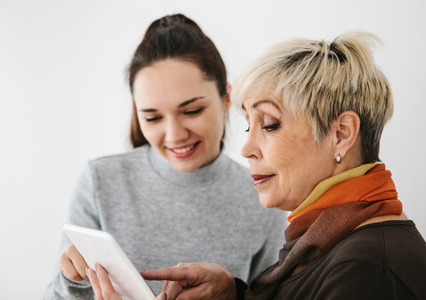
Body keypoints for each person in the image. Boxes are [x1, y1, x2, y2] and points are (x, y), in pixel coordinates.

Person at [88, 31, 426, 299]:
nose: (246, 148)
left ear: (341, 133)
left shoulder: (365, 269)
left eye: (270, 125)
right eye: (248, 125)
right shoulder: (329, 243)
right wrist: (232, 294)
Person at [43, 14, 287, 299]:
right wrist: (73, 281)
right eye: (153, 117)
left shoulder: (262, 193)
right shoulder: (100, 181)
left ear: (226, 98)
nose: (174, 135)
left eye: (192, 111)